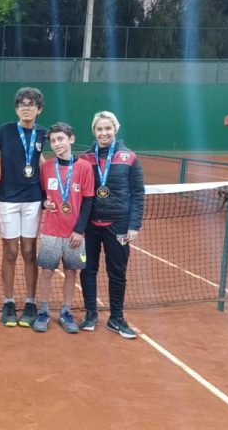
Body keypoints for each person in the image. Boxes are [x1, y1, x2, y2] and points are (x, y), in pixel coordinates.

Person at [0, 87, 47, 327]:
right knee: (10, 252)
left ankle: (30, 302)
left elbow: (41, 161)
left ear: (39, 109)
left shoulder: (43, 133)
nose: (26, 108)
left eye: (31, 104)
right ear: (16, 109)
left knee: (29, 251)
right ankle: (8, 301)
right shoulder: (5, 130)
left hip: (33, 200)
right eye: (22, 104)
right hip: (7, 200)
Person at [79, 111, 145, 339]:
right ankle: (90, 314)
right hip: (90, 226)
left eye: (108, 128)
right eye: (99, 129)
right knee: (87, 270)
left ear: (115, 129)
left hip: (119, 225)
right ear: (94, 131)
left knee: (117, 272)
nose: (104, 133)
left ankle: (116, 318)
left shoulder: (129, 157)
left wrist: (134, 225)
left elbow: (138, 193)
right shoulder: (85, 159)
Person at [34, 123, 94, 334]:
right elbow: (42, 193)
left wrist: (79, 230)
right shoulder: (47, 167)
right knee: (46, 271)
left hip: (74, 233)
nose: (57, 144)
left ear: (71, 139)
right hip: (50, 231)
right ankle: (43, 311)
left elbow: (88, 200)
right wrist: (44, 202)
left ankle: (66, 312)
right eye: (53, 141)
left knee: (71, 272)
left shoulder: (85, 167)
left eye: (60, 139)